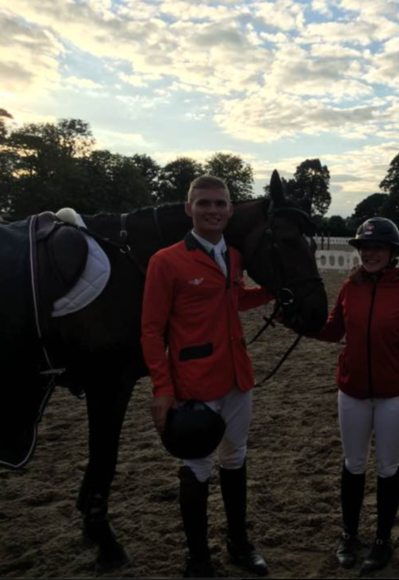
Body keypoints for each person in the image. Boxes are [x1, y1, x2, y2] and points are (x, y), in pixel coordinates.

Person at [141, 175, 275, 578]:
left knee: (235, 459)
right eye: (204, 203)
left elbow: (234, 299)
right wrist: (162, 389)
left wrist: (274, 292)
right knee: (198, 467)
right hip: (194, 383)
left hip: (237, 376)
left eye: (220, 204)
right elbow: (150, 330)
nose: (213, 210)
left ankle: (239, 543)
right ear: (189, 209)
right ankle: (197, 558)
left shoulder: (234, 256)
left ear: (230, 210)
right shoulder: (165, 261)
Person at [307, 217, 399, 574]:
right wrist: (298, 321)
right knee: (353, 464)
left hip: (395, 392)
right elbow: (333, 331)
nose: (370, 253)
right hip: (353, 390)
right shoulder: (350, 287)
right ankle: (349, 533)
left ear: (392, 253)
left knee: (388, 466)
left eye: (378, 248)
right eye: (365, 247)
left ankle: (381, 538)